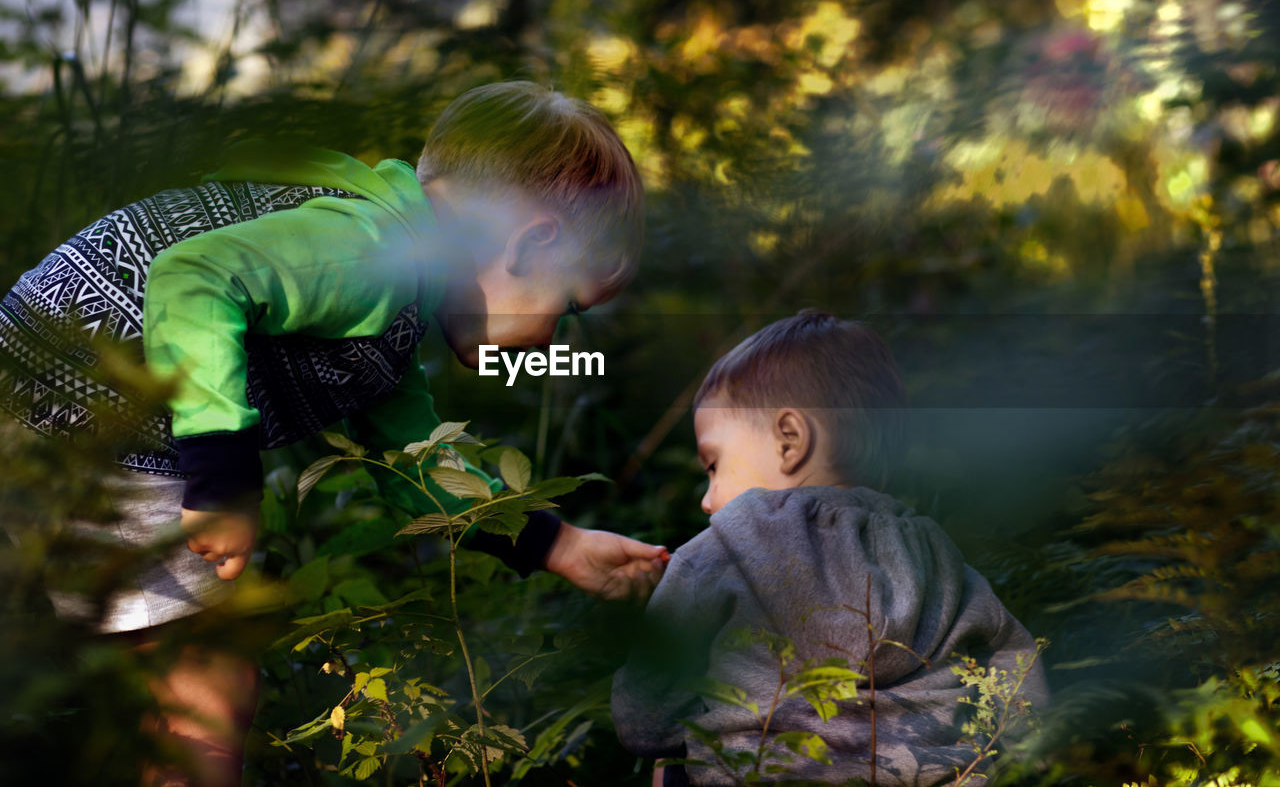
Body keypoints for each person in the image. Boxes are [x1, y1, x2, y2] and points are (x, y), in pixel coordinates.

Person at [0, 80, 667, 786]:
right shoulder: (372, 252)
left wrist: (556, 543)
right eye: (565, 307)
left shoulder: (391, 306)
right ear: (534, 243)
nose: (550, 336)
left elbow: (416, 459)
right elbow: (193, 278)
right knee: (203, 693)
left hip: (50, 406)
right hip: (78, 413)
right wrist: (221, 475)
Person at [611, 311, 1048, 786]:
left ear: (790, 441)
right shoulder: (935, 554)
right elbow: (1016, 667)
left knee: (671, 760)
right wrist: (1034, 758)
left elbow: (643, 718)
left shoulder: (719, 552)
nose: (707, 496)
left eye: (714, 464)